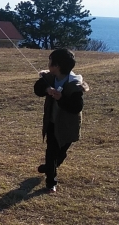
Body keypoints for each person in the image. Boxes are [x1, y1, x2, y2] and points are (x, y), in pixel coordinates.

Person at [34, 48, 90, 193]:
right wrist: (47, 89)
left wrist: (61, 99)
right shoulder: (50, 78)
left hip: (68, 126)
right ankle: (51, 181)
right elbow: (37, 88)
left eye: (50, 62)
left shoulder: (74, 84)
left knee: (61, 152)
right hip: (52, 123)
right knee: (51, 152)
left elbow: (77, 107)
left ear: (57, 66)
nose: (48, 64)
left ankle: (49, 166)